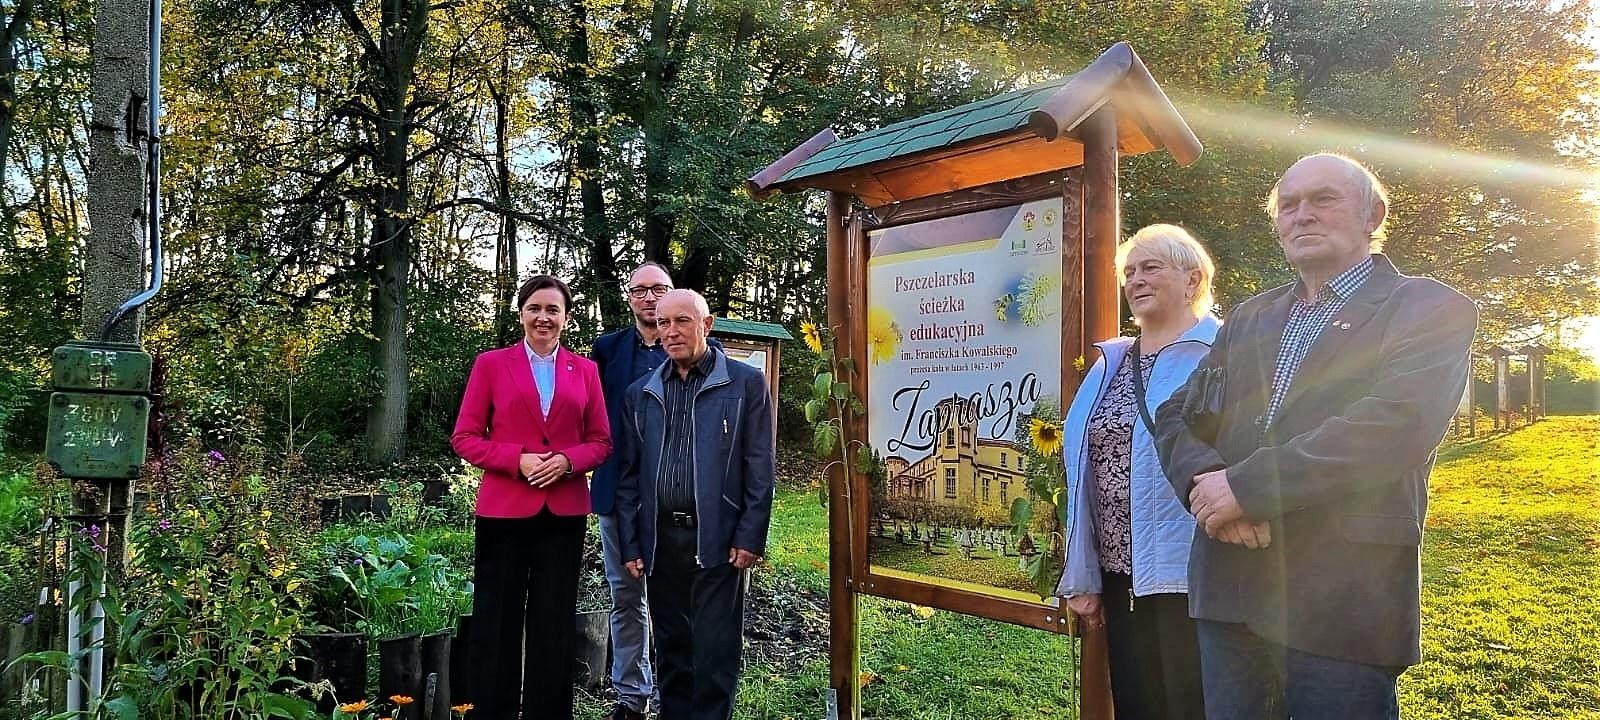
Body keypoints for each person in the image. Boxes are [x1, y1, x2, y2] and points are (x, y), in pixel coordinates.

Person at [1154, 153, 1477, 719]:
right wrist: (1209, 484)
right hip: (1229, 589)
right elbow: (1177, 415)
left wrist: (1249, 487)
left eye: (1323, 199)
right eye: (1288, 205)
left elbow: (1395, 424)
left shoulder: (1427, 308)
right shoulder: (1251, 317)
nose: (1302, 215)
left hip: (1344, 597)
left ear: (1372, 214)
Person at [1055, 223, 1218, 719]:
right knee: (1137, 703)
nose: (1136, 280)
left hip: (1193, 575)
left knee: (1195, 705)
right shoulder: (1110, 363)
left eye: (1151, 267)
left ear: (1193, 280)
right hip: (1120, 575)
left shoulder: (1225, 353)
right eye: (1129, 272)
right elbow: (1081, 469)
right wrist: (1084, 572)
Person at [451, 274, 613, 720]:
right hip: (504, 509)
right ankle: (493, 712)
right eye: (535, 308)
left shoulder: (586, 371)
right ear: (520, 313)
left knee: (553, 620)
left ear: (565, 317)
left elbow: (601, 441)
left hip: (563, 512)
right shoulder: (491, 364)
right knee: (497, 619)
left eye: (553, 309)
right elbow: (465, 438)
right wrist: (515, 459)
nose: (543, 317)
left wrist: (566, 461)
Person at [614, 289, 775, 720]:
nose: (671, 331)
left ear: (706, 325)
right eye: (663, 323)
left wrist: (750, 535)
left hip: (718, 537)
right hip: (661, 540)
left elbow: (760, 468)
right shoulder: (640, 393)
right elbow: (629, 476)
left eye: (682, 321)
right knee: (671, 648)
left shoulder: (744, 384)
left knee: (714, 651)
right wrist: (631, 543)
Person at [589, 262, 675, 720]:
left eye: (658, 289)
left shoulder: (692, 346)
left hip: (678, 498)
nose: (649, 297)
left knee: (679, 598)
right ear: (628, 297)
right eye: (640, 290)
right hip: (618, 494)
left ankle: (680, 693)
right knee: (626, 596)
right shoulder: (607, 350)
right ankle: (631, 697)